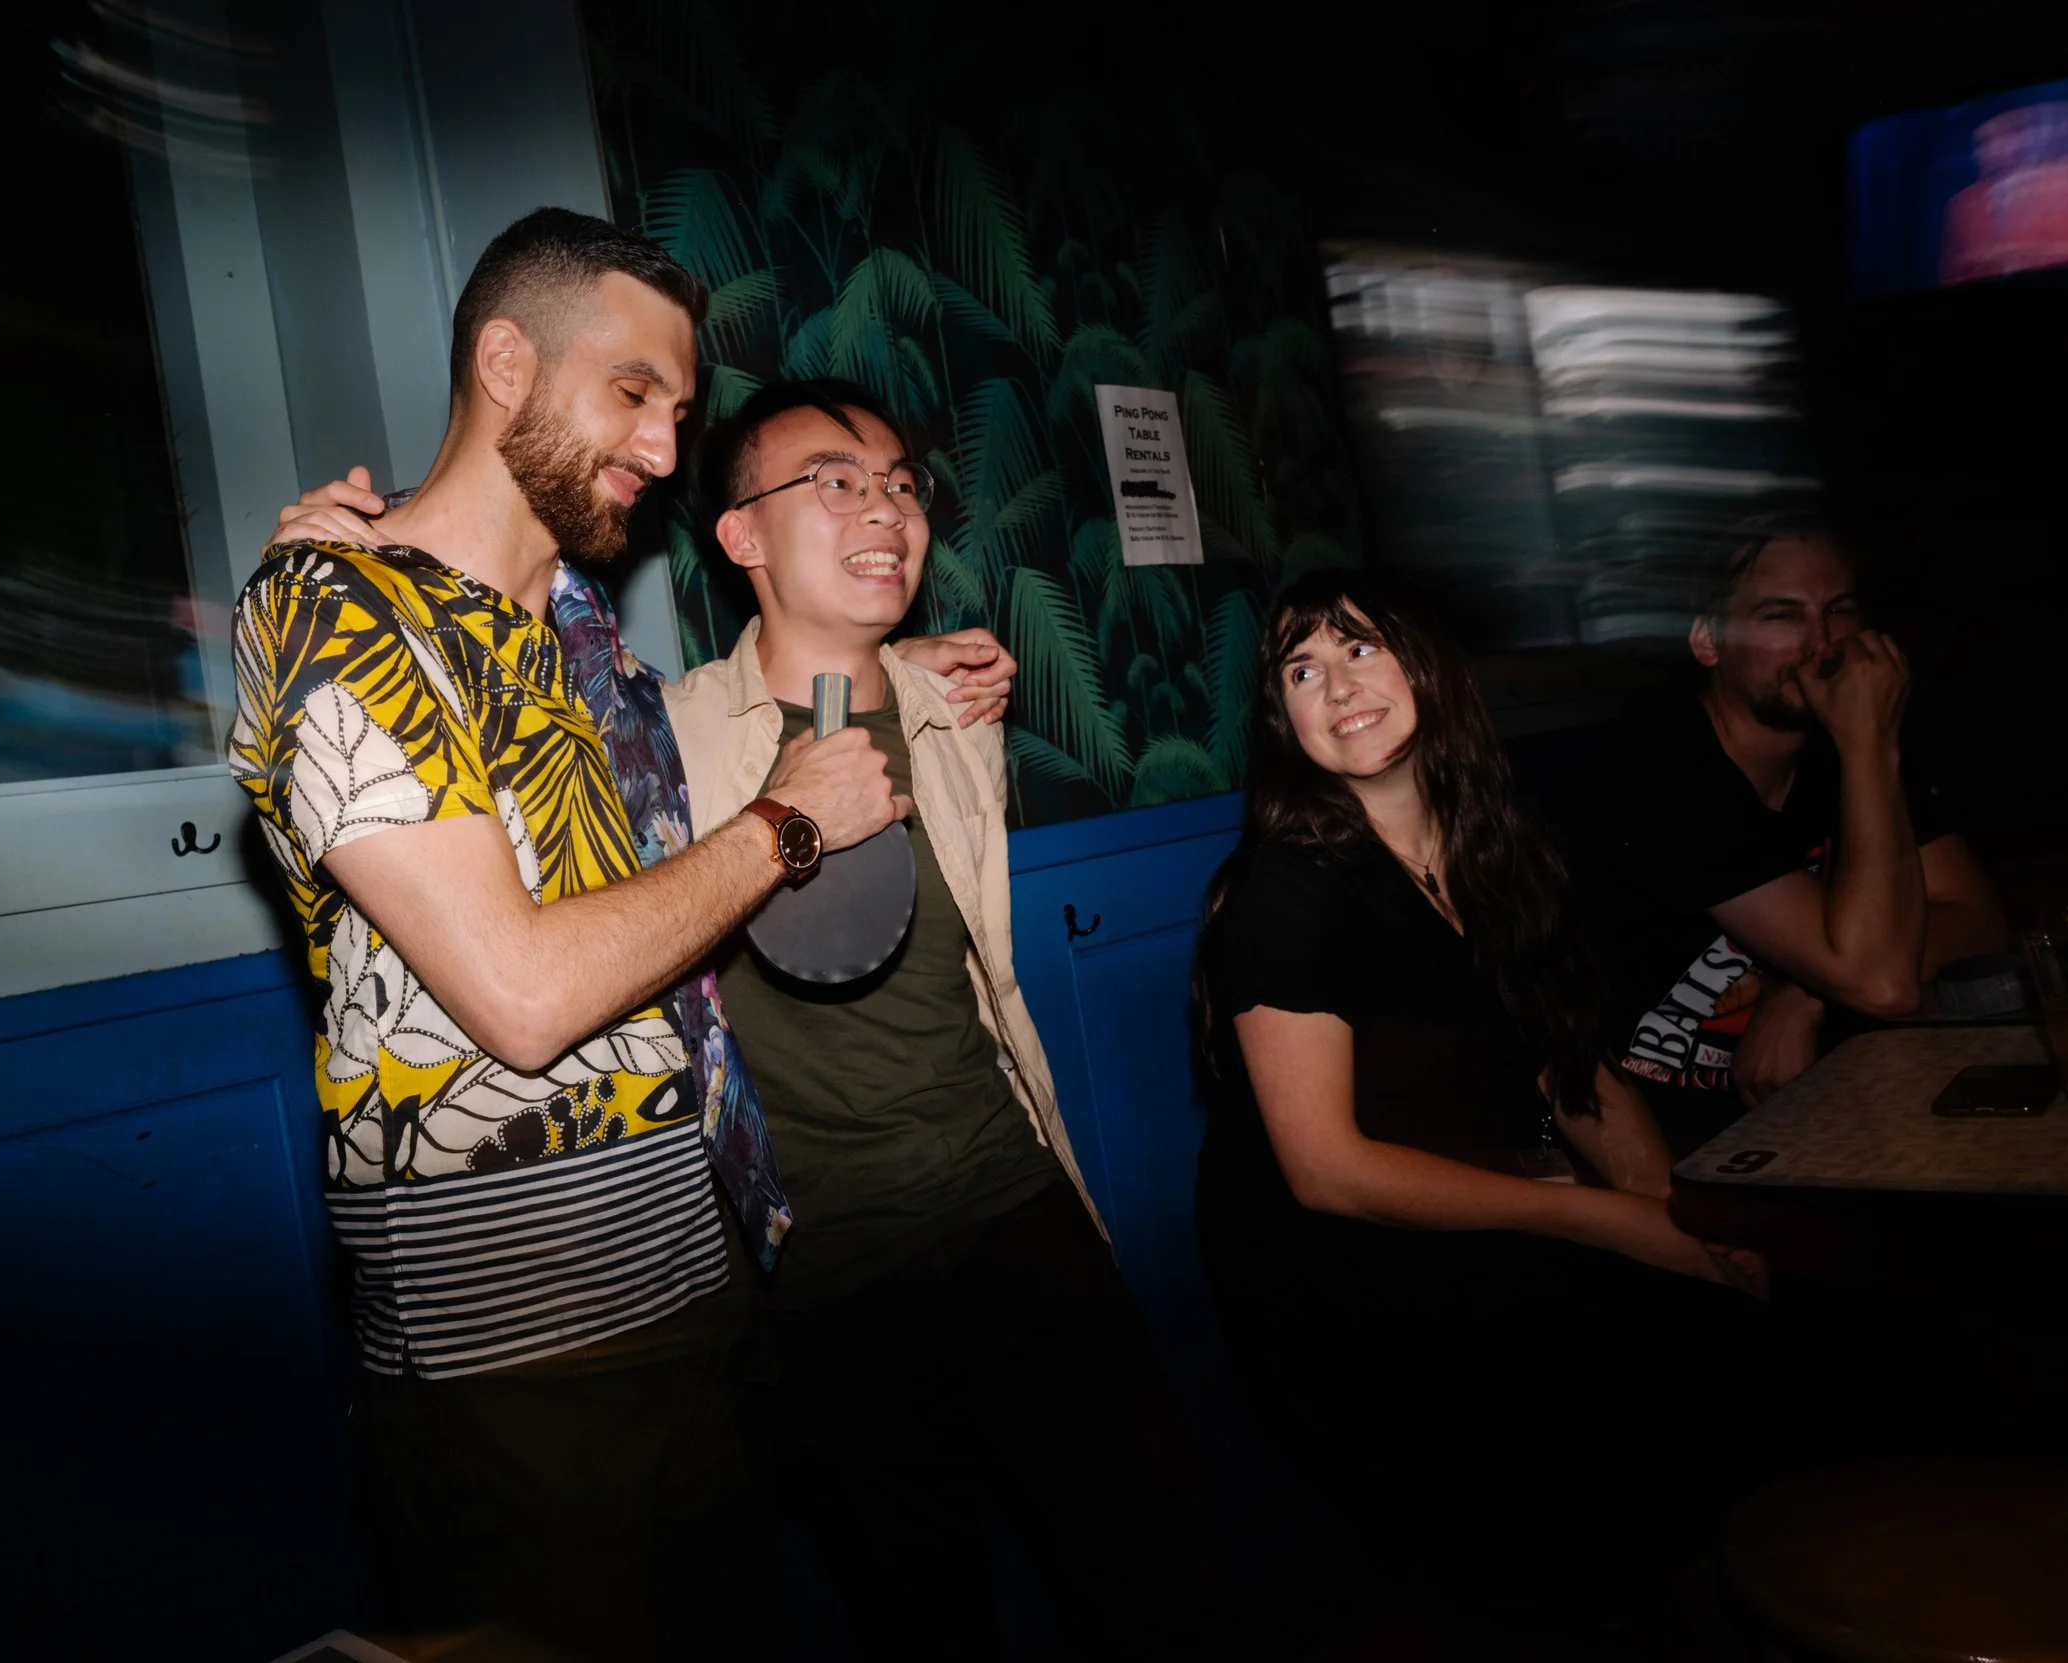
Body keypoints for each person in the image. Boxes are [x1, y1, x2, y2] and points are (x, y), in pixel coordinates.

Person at [235, 209, 1016, 1659]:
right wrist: (788, 823)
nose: (664, 450)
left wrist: (885, 657)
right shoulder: (338, 610)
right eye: (634, 395)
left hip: (692, 1282)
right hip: (508, 1343)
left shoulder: (577, 621)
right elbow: (522, 994)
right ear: (508, 360)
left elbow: (693, 746)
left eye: (679, 410)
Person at [663, 378, 1224, 1656]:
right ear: (741, 536)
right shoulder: (664, 740)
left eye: (903, 483)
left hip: (1018, 1214)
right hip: (825, 1281)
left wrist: (894, 667)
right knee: (922, 1618)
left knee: (1167, 1579)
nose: (886, 507)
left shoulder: (955, 712)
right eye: (834, 481)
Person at [1192, 568, 1768, 1630]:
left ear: (1425, 663)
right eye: (1302, 669)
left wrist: (1671, 1212)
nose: (1337, 684)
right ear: (1283, 716)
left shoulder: (1499, 845)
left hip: (1480, 1202)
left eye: (1361, 648)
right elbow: (1326, 1173)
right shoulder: (1287, 888)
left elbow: (1573, 1063)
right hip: (1338, 1283)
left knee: (1730, 1335)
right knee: (1618, 1413)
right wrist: (1609, 1219)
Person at [1571, 515, 2008, 1154]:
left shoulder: (1857, 749)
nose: (1822, 646)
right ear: (1708, 642)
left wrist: (1804, 992)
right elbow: (1881, 983)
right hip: (1649, 1138)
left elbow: (1977, 923)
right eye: (1782, 617)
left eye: (1839, 612)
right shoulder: (1659, 773)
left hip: (1817, 1107)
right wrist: (1867, 744)